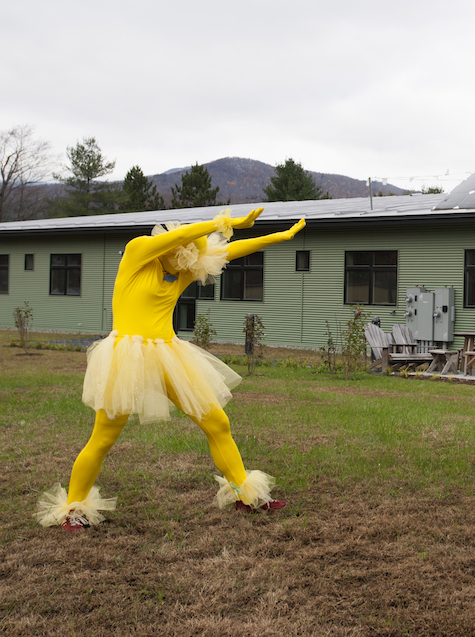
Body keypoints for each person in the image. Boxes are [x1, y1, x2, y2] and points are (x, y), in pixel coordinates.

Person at [36, 207, 306, 530]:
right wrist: (225, 223)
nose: (185, 262)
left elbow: (229, 250)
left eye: (190, 258)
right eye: (181, 255)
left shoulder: (183, 269)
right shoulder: (137, 254)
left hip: (170, 356)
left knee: (217, 422)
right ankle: (72, 510)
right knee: (103, 437)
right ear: (167, 246)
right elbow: (181, 236)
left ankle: (245, 495)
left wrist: (281, 236)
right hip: (127, 357)